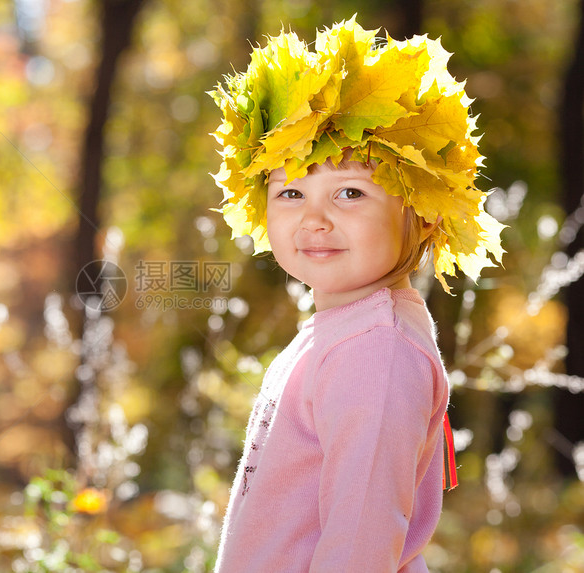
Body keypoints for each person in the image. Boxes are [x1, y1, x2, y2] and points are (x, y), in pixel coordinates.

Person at [209, 17, 505, 572]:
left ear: (419, 214)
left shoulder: (376, 355)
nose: (314, 219)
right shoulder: (340, 332)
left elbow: (359, 542)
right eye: (291, 192)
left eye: (350, 192)